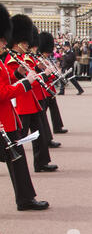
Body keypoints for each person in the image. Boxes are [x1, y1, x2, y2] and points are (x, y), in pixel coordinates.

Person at [0, 4, 50, 211]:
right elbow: (2, 92)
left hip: (8, 121)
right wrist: (26, 82)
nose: (4, 44)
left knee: (17, 160)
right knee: (17, 160)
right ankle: (25, 199)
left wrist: (19, 75)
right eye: (2, 40)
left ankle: (25, 199)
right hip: (4, 122)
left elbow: (6, 80)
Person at [4, 14, 58, 173]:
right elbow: (11, 82)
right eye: (25, 43)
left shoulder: (22, 58)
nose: (28, 45)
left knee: (39, 134)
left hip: (30, 101)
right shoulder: (11, 60)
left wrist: (42, 75)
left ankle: (41, 162)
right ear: (17, 42)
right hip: (21, 103)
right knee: (15, 139)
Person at [38, 32, 68, 134]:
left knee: (54, 108)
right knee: (41, 115)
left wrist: (56, 73)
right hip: (43, 89)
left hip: (49, 88)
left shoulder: (44, 59)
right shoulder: (38, 59)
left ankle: (57, 126)